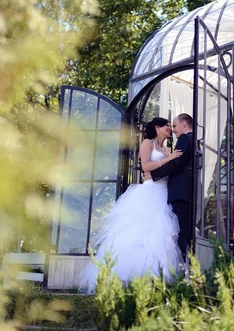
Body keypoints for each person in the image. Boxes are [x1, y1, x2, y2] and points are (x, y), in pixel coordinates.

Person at [78, 117, 183, 293]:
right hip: (149, 193)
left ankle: (153, 280)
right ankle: (125, 277)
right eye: (167, 126)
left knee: (160, 237)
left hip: (164, 194)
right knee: (137, 235)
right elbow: (146, 167)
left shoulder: (165, 148)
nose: (170, 129)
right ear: (158, 128)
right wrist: (169, 158)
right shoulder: (147, 144)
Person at [150, 113, 194, 261]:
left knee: (178, 231)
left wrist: (154, 174)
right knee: (184, 231)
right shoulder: (195, 140)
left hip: (179, 193)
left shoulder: (184, 138)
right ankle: (186, 265)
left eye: (174, 126)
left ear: (183, 124)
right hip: (188, 192)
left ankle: (180, 265)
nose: (173, 130)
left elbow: (176, 163)